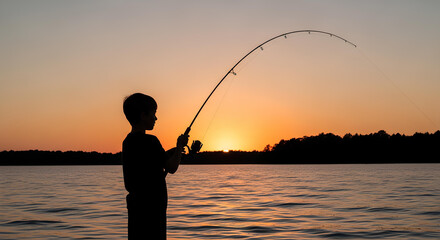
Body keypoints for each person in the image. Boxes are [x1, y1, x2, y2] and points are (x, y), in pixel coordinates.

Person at [122, 93, 188, 240]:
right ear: (143, 115)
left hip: (136, 209)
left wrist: (173, 152)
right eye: (154, 113)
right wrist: (179, 146)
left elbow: (148, 165)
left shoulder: (127, 142)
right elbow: (171, 167)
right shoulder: (151, 141)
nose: (156, 118)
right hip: (152, 210)